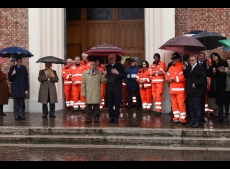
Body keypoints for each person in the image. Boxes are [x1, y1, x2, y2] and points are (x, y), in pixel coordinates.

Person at [183, 54, 207, 128]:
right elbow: (187, 77)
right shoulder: (190, 68)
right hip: (190, 91)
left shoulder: (199, 68)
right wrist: (184, 70)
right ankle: (193, 121)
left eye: (192, 60)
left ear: (196, 60)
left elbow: (203, 77)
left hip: (196, 91)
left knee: (197, 107)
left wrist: (196, 84)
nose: (191, 62)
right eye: (190, 60)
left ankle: (197, 121)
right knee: (191, 107)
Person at [104, 54, 126, 124]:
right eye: (109, 59)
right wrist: (104, 74)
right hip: (109, 86)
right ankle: (111, 117)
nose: (110, 60)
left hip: (117, 87)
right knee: (110, 103)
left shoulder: (120, 66)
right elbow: (105, 77)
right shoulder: (107, 67)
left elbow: (124, 75)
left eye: (111, 59)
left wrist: (118, 73)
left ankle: (116, 117)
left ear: (114, 58)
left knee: (117, 103)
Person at [165, 52, 186, 124]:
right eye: (172, 59)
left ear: (178, 59)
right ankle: (176, 117)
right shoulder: (170, 67)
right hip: (172, 90)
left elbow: (183, 77)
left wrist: (173, 78)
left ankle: (182, 118)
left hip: (180, 90)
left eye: (174, 59)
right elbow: (166, 76)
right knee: (174, 105)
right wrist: (168, 79)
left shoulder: (182, 67)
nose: (172, 60)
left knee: (181, 104)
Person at [210, 52, 228, 122]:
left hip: (223, 84)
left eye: (215, 56)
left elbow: (226, 72)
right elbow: (213, 76)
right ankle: (220, 116)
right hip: (217, 84)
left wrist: (222, 70)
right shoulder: (214, 64)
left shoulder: (223, 62)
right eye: (212, 56)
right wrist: (214, 72)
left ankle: (225, 116)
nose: (214, 57)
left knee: (225, 100)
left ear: (218, 56)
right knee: (219, 100)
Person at [197, 52, 213, 120]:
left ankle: (202, 116)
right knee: (196, 102)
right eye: (200, 56)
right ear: (198, 56)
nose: (201, 57)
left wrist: (208, 67)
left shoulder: (205, 64)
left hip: (203, 85)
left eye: (202, 56)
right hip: (197, 85)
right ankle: (196, 115)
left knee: (203, 101)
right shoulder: (195, 64)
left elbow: (208, 74)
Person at [224, 57, 230, 123]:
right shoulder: (228, 67)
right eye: (228, 61)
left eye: (229, 61)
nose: (228, 63)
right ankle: (226, 116)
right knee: (227, 102)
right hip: (227, 87)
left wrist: (227, 71)